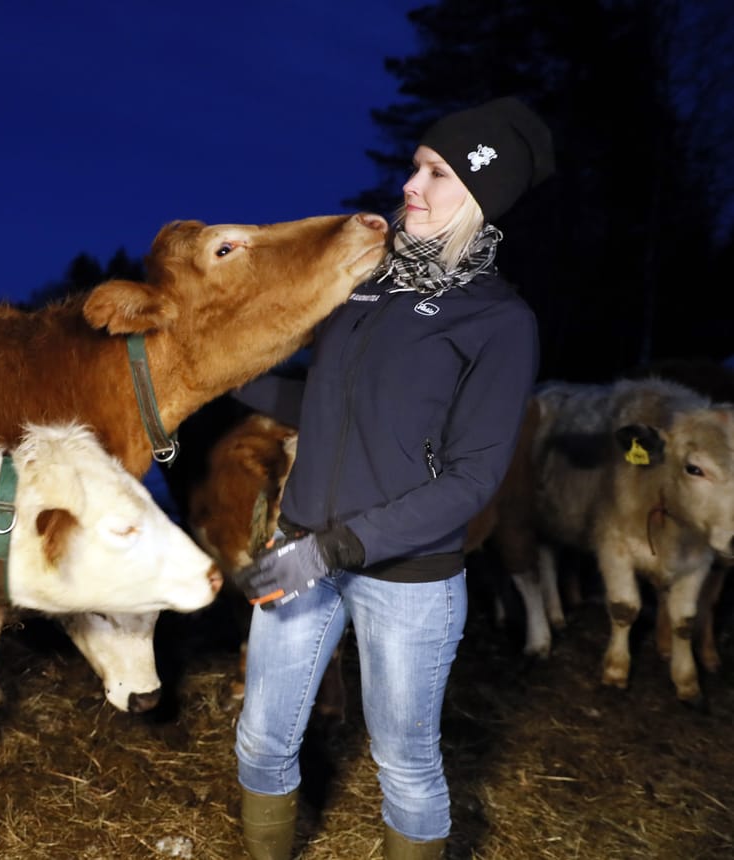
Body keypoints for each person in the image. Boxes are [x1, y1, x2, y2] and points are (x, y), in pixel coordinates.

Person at [229, 97, 555, 860]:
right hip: (303, 546)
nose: (411, 183)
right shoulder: (365, 289)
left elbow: (473, 479)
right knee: (260, 740)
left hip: (408, 580)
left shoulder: (499, 322)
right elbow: (320, 399)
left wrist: (332, 550)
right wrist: (210, 379)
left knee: (405, 766)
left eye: (436, 172)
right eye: (414, 165)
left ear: (479, 194)